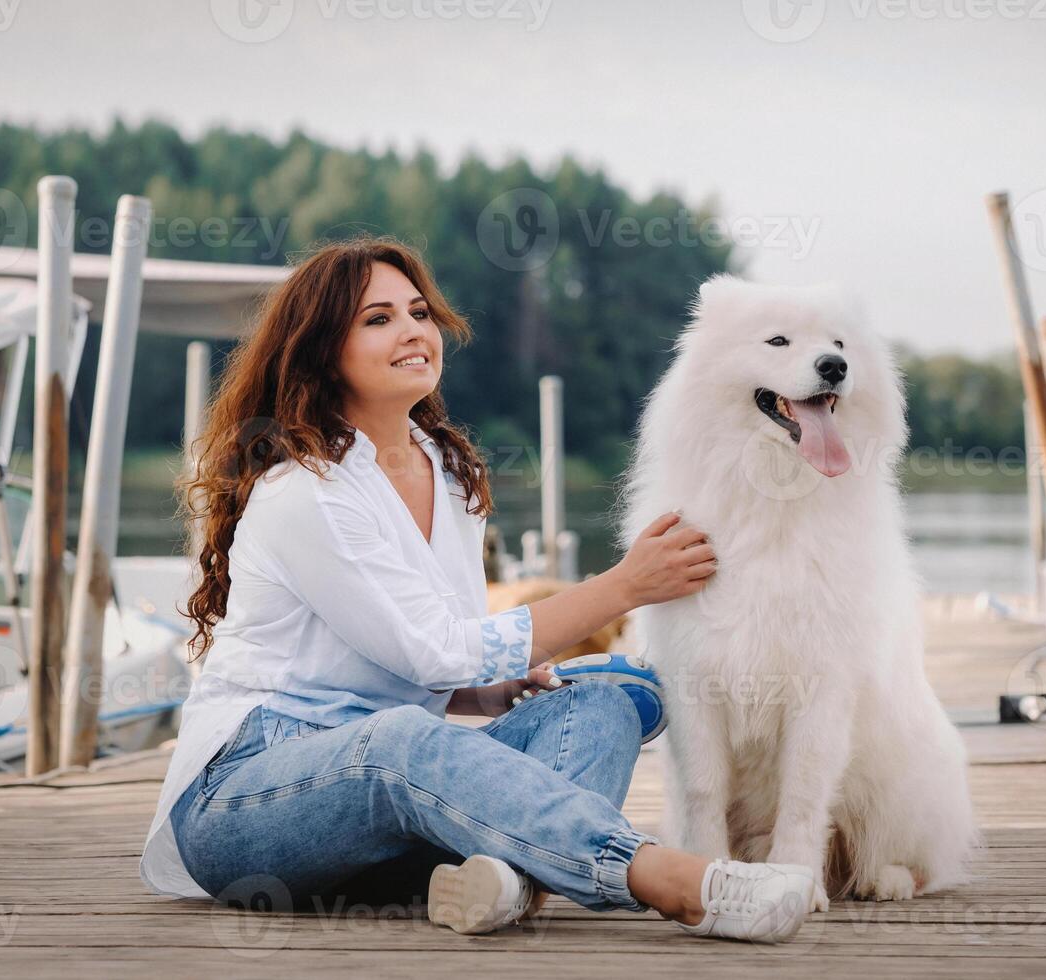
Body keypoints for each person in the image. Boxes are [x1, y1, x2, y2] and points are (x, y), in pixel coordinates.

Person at [137, 237, 816, 942]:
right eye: (377, 319)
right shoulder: (305, 491)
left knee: (614, 698)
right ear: (320, 350)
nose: (412, 330)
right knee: (397, 739)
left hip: (390, 808)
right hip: (245, 802)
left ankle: (505, 880)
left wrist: (477, 695)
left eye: (420, 312)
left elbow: (420, 650)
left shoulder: (449, 474)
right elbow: (432, 656)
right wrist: (624, 586)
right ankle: (672, 882)